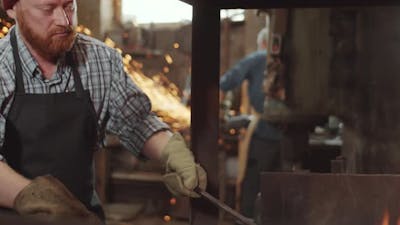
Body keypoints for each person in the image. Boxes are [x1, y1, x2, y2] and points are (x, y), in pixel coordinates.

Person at [0, 0, 206, 223]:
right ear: (12, 9)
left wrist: (172, 153)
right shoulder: (3, 67)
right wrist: (36, 199)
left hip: (83, 216)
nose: (64, 21)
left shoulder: (101, 59)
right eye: (48, 9)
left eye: (69, 6)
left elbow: (136, 120)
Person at [220, 28, 282, 219]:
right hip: (292, 137)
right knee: (282, 188)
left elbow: (224, 83)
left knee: (253, 186)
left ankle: (247, 221)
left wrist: (220, 111)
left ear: (264, 44)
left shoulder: (258, 58)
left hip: (264, 136)